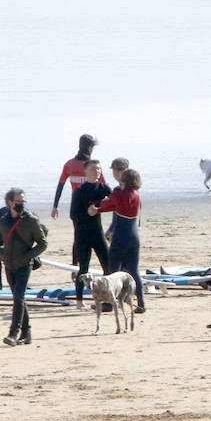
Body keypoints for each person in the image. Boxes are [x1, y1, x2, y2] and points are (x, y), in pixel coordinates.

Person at [0, 188, 47, 346]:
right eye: (18, 202)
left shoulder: (31, 221)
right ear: (9, 202)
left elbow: (43, 243)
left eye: (23, 202)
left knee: (18, 297)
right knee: (19, 299)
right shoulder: (2, 221)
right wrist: (1, 254)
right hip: (8, 265)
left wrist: (28, 256)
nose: (21, 205)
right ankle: (27, 333)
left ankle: (13, 333)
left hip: (24, 265)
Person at [89, 167, 145, 314]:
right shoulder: (137, 195)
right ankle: (141, 303)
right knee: (134, 270)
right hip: (134, 237)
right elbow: (115, 206)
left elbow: (108, 203)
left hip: (120, 237)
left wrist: (96, 208)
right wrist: (99, 210)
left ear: (124, 180)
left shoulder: (119, 194)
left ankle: (108, 304)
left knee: (112, 270)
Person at [70, 158, 112, 307]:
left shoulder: (104, 188)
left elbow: (115, 202)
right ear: (86, 171)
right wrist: (88, 212)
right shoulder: (80, 191)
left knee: (108, 265)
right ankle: (79, 301)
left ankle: (108, 298)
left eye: (99, 169)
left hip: (97, 232)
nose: (97, 171)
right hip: (82, 234)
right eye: (94, 169)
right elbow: (73, 215)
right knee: (83, 268)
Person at [50, 133, 105, 221]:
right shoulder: (94, 167)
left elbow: (60, 186)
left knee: (78, 234)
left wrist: (55, 206)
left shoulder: (69, 164)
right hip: (91, 208)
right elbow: (104, 187)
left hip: (76, 206)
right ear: (90, 147)